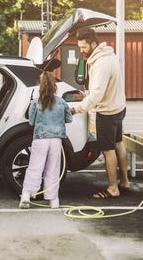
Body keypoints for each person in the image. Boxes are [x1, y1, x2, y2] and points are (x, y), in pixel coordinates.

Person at [70, 28, 129, 199]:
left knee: (108, 150)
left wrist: (77, 108)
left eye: (83, 47)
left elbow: (96, 95)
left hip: (108, 113)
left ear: (93, 44)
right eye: (80, 47)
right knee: (119, 143)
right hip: (119, 107)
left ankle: (113, 188)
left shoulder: (101, 64)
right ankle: (124, 181)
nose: (81, 51)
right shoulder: (110, 55)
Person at [20, 71, 72, 209]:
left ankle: (26, 195)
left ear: (40, 86)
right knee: (53, 168)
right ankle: (53, 199)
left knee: (35, 167)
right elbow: (69, 119)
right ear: (54, 85)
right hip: (56, 140)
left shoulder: (36, 102)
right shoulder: (61, 102)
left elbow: (31, 122)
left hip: (40, 138)